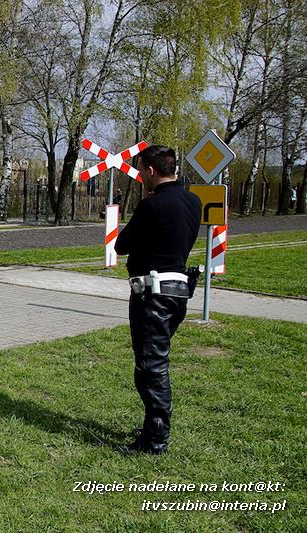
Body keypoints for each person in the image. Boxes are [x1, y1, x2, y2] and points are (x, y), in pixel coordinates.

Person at [114, 145, 201, 455]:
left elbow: (122, 245)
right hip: (178, 293)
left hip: (153, 295)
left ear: (151, 171)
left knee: (151, 367)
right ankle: (153, 425)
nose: (140, 176)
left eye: (141, 171)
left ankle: (155, 439)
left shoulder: (152, 206)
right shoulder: (193, 202)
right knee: (154, 363)